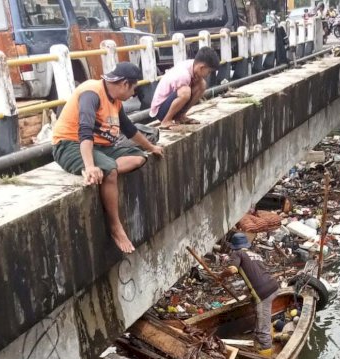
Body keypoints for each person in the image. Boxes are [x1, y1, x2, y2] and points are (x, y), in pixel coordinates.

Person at [52, 62, 164, 254]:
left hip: (101, 147)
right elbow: (84, 131)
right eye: (133, 90)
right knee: (110, 171)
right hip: (70, 144)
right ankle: (115, 227)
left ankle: (104, 170)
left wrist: (152, 147)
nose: (132, 95)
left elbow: (129, 130)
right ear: (124, 84)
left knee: (139, 157)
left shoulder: (116, 101)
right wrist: (89, 166)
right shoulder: (91, 93)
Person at [219, 233, 279, 358]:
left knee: (263, 329)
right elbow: (257, 274)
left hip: (263, 294)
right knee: (260, 310)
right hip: (274, 287)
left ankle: (266, 357)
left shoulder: (237, 254)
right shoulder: (255, 255)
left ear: (234, 246)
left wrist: (221, 276)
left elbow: (232, 270)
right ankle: (267, 329)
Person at [149, 46, 220, 129]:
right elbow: (183, 94)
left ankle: (181, 116)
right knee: (185, 92)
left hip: (171, 104)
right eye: (209, 71)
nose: (208, 74)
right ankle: (166, 120)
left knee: (202, 84)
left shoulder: (193, 66)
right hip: (160, 110)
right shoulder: (184, 74)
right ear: (202, 67)